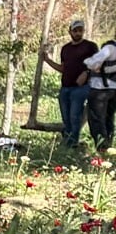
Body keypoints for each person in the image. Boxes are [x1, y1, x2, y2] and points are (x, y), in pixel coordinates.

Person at [41, 19, 97, 149]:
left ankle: (72, 144)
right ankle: (68, 141)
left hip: (81, 87)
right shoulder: (65, 49)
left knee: (74, 116)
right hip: (66, 87)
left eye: (80, 30)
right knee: (66, 118)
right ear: (70, 32)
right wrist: (48, 61)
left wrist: (87, 73)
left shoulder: (90, 46)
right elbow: (63, 68)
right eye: (75, 30)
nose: (78, 33)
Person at [83, 36, 116, 153]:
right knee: (108, 119)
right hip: (113, 90)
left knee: (97, 120)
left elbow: (92, 63)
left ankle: (102, 148)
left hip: (100, 89)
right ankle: (109, 146)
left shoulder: (110, 47)